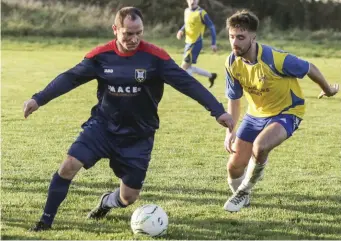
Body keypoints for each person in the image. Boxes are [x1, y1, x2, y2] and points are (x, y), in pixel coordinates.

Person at [23, 7, 234, 231]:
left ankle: (106, 202)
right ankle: (45, 222)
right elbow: (70, 78)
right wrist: (39, 99)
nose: (134, 39)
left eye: (139, 33)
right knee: (67, 167)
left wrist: (217, 110)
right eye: (128, 34)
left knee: (128, 197)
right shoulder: (101, 56)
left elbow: (187, 83)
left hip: (139, 136)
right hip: (103, 127)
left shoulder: (156, 58)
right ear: (115, 30)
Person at [223, 10, 339, 212]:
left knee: (260, 146)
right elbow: (234, 98)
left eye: (241, 37)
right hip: (255, 114)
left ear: (253, 37)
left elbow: (309, 67)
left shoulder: (274, 58)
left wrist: (328, 89)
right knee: (234, 166)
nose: (235, 42)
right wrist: (229, 131)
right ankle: (243, 195)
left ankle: (244, 191)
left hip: (287, 111)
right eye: (232, 37)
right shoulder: (232, 63)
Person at [176, 0, 218, 88]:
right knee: (188, 67)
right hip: (188, 43)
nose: (193, 1)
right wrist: (181, 30)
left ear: (198, 1)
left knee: (183, 67)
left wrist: (213, 43)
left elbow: (212, 27)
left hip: (196, 43)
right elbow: (187, 23)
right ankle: (211, 76)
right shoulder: (186, 11)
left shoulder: (201, 13)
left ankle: (191, 87)